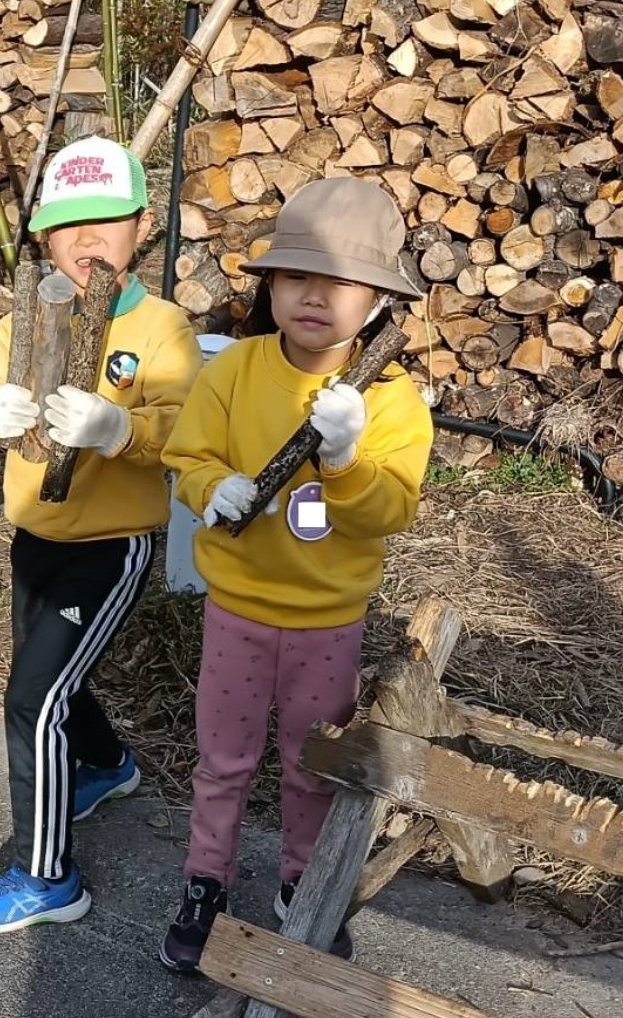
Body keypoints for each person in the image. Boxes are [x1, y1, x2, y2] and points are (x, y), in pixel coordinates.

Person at [155, 177, 433, 971]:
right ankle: (206, 879)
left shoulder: (391, 399)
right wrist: (214, 489)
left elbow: (391, 510)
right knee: (224, 758)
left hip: (327, 619)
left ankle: (299, 884)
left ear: (379, 300)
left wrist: (343, 460)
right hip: (236, 608)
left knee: (314, 763)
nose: (316, 297)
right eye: (297, 275)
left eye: (342, 282)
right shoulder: (236, 370)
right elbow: (188, 456)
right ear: (270, 284)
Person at [0, 137, 201, 932]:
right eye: (68, 224)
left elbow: (186, 428)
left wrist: (120, 425)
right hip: (35, 532)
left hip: (111, 542)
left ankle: (48, 876)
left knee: (35, 696)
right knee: (54, 671)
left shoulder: (162, 327)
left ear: (144, 224)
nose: (87, 239)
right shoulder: (31, 317)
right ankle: (108, 763)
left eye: (107, 221)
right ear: (44, 239)